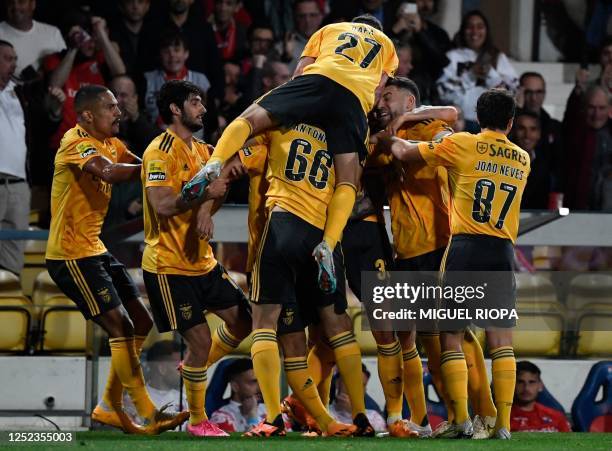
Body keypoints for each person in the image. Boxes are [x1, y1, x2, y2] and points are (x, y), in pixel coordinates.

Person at [183, 14, 398, 295]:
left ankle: (212, 164)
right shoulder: (386, 45)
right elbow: (380, 87)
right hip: (353, 100)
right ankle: (328, 245)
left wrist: (298, 107)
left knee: (247, 121)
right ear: (376, 30)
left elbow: (301, 69)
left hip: (317, 82)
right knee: (348, 180)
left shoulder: (331, 29)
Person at [379, 88, 530, 439]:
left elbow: (403, 151)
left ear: (479, 118)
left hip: (465, 247)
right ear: (511, 122)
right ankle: (503, 426)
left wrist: (387, 139)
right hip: (503, 250)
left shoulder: (464, 144)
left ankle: (461, 419)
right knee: (501, 341)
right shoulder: (522, 158)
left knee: (450, 336)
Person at [44, 84, 188, 435]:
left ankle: (108, 407)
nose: (118, 112)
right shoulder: (75, 142)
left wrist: (168, 171)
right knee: (121, 328)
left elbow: (138, 165)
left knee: (141, 322)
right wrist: (155, 171)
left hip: (94, 248)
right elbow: (109, 172)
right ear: (88, 115)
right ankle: (148, 413)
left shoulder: (113, 143)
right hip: (70, 255)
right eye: (111, 107)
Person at [220, 122, 369, 438]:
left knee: (267, 325)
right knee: (330, 331)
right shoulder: (346, 131)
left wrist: (206, 201)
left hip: (281, 226)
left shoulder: (279, 124)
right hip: (327, 235)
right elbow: (353, 187)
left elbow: (232, 165)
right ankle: (352, 418)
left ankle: (273, 417)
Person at [141, 79, 252, 437]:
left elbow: (218, 188)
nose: (202, 108)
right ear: (175, 109)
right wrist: (205, 194)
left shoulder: (205, 151)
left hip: (202, 262)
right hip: (168, 267)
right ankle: (197, 419)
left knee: (244, 323)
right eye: (194, 102)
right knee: (201, 339)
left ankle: (194, 368)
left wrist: (206, 209)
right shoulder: (159, 152)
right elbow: (161, 205)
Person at [45, 10, 126, 150]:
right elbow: (55, 84)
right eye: (84, 37)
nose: (89, 43)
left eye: (91, 37)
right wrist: (74, 47)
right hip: (64, 146)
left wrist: (100, 33)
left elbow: (120, 72)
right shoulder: (56, 60)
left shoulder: (100, 60)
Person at [437, 10, 518, 132]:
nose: (475, 31)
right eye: (470, 27)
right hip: (460, 125)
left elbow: (514, 92)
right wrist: (470, 76)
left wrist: (491, 75)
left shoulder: (497, 57)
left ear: (487, 31)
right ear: (463, 30)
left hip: (492, 127)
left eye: (480, 27)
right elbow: (443, 93)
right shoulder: (452, 57)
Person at [143, 32, 211, 128]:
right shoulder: (147, 79)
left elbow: (208, 116)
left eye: (177, 50)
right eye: (166, 51)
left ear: (186, 53)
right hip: (157, 135)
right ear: (160, 54)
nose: (172, 55)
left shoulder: (200, 80)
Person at [517, 72, 563, 207]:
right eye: (528, 92)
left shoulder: (555, 127)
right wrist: (516, 110)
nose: (534, 98)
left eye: (539, 92)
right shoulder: (506, 126)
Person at [563, 84, 612, 210]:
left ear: (609, 109)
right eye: (592, 107)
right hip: (579, 207)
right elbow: (570, 118)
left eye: (602, 108)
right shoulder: (575, 133)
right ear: (584, 108)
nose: (596, 114)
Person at [0, 0, 66, 78]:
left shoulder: (53, 33)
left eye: (21, 2)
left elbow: (69, 70)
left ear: (32, 4)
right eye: (11, 2)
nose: (16, 6)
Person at [511, 361, 571, 432]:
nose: (526, 388)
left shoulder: (557, 417)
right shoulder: (502, 419)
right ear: (511, 385)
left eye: (532, 382)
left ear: (540, 385)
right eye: (520, 382)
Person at [210, 359, 267, 432]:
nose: (260, 387)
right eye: (253, 382)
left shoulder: (271, 411)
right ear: (235, 386)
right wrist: (252, 417)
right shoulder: (221, 418)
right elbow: (252, 443)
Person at [329, 364, 387, 432]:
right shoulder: (325, 413)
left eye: (362, 385)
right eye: (351, 383)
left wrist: (355, 412)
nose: (356, 389)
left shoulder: (374, 418)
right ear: (338, 383)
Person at [282, 0, 324, 72]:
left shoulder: (332, 42)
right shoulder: (282, 48)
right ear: (295, 18)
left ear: (321, 17)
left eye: (312, 15)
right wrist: (287, 57)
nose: (307, 20)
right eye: (302, 16)